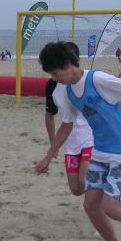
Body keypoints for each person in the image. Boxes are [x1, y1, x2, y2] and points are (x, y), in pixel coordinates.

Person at [35, 41, 121, 241]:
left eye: (55, 73)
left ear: (66, 64)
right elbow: (67, 124)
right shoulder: (69, 92)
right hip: (100, 153)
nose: (55, 79)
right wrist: (49, 155)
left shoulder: (97, 79)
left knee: (110, 206)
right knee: (90, 205)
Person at [44, 42, 93, 196]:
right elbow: (49, 115)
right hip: (70, 141)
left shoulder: (88, 80)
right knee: (76, 190)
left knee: (86, 182)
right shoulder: (53, 86)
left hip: (90, 139)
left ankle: (107, 198)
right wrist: (54, 145)